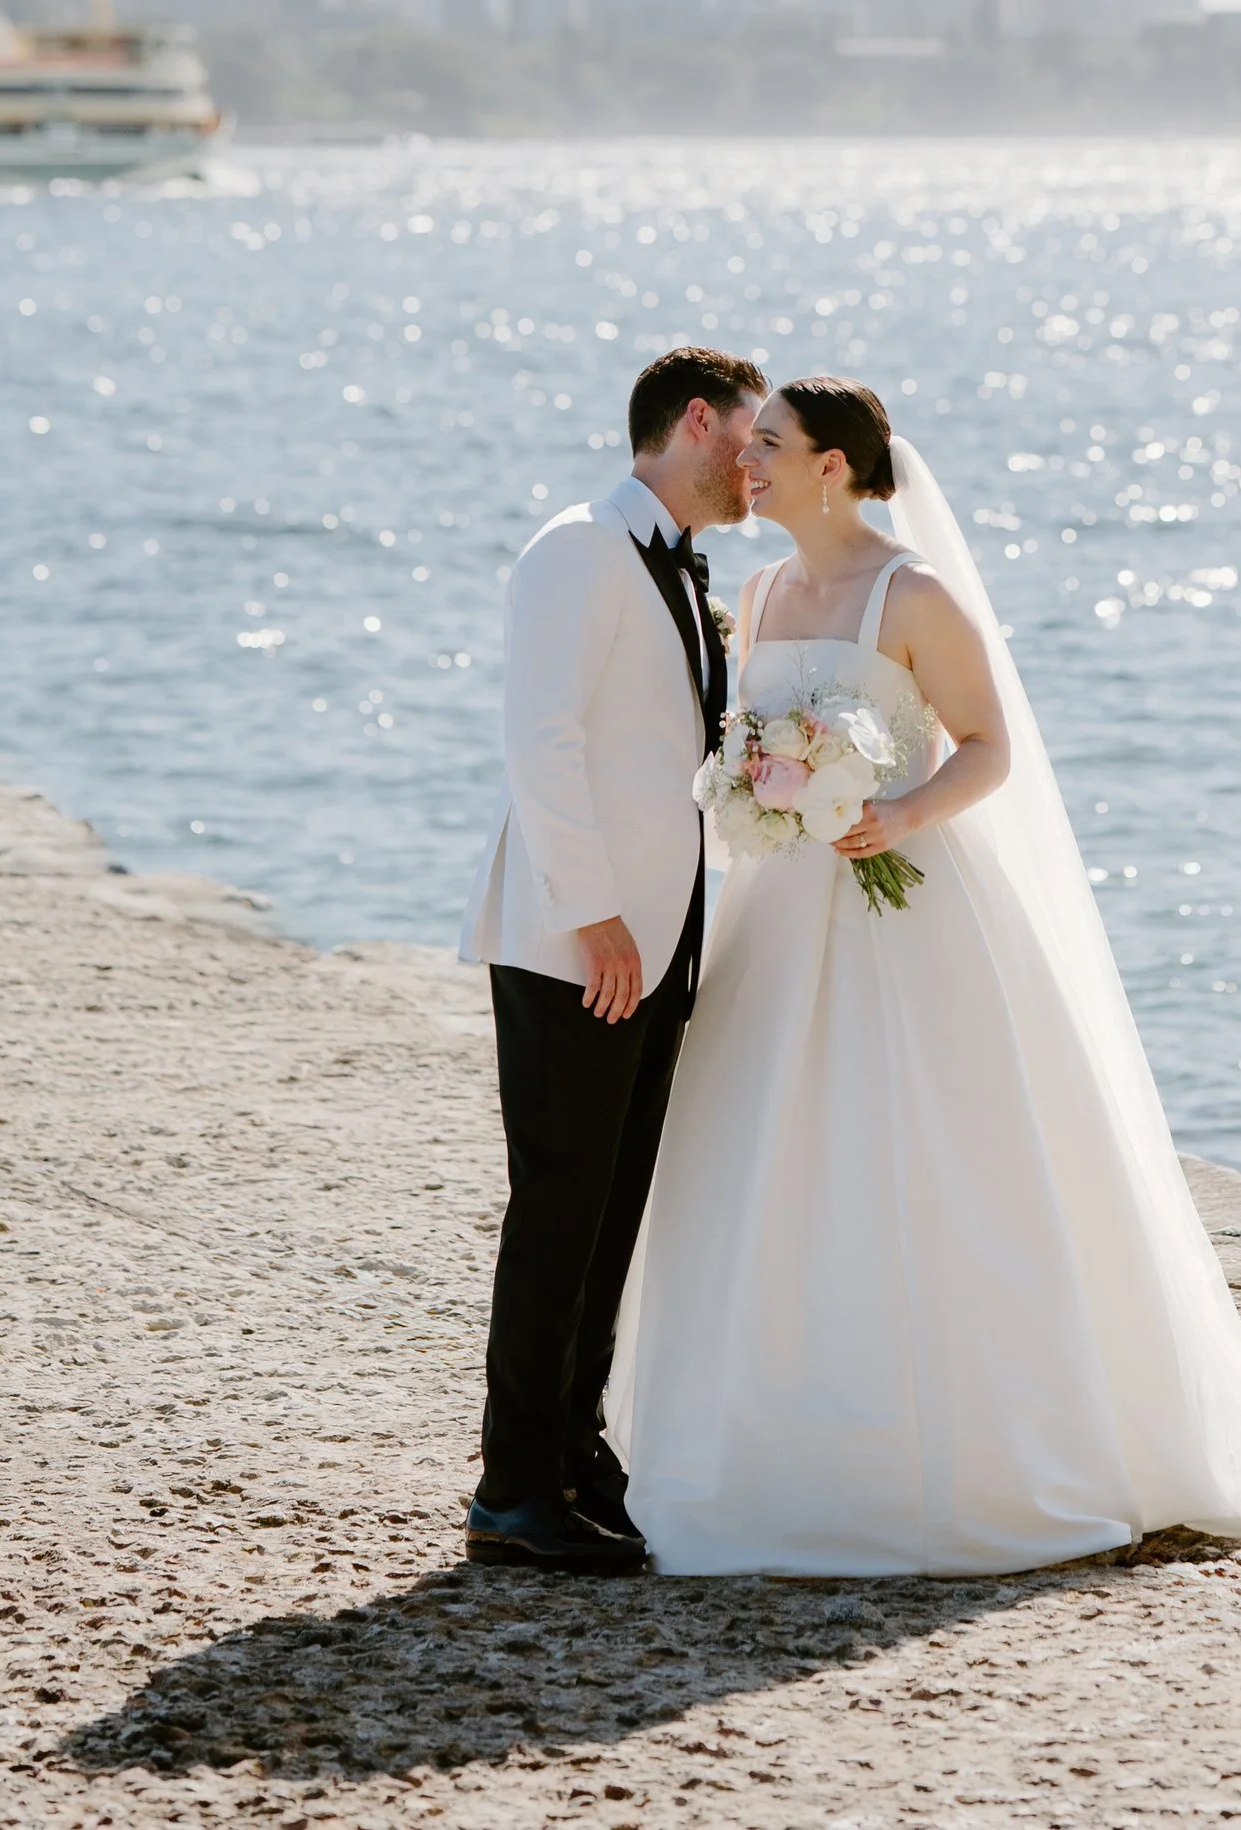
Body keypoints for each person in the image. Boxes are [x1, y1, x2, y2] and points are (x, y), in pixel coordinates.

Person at [611, 377, 1241, 1575]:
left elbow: (989, 748)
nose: (745, 462)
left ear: (830, 467)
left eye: (769, 444)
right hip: (780, 918)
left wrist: (901, 809)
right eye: (747, 440)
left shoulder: (909, 595)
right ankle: (758, 1438)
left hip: (908, 906)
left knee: (931, 1163)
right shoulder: (758, 594)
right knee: (757, 1157)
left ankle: (974, 1446)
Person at [455, 342, 766, 1572]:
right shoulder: (576, 549)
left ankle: (578, 1456)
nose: (759, 469)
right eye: (751, 440)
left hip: (657, 942)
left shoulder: (684, 569)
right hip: (574, 943)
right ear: (696, 424)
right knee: (558, 1211)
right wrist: (591, 915)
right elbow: (539, 741)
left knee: (612, 1214)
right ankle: (511, 1491)